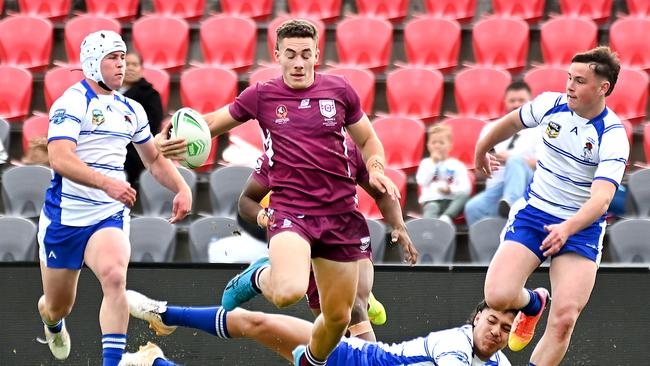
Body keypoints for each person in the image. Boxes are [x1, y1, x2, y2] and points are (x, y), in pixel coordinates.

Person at [154, 19, 418, 365]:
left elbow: (369, 140)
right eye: (290, 54)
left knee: (339, 316)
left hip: (340, 217)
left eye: (305, 54)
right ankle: (259, 275)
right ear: (277, 55)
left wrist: (379, 170)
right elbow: (211, 124)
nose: (298, 62)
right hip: (291, 211)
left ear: (316, 55)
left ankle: (312, 360)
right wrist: (167, 136)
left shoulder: (340, 91)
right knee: (287, 292)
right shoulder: (261, 95)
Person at [35, 30, 192, 366]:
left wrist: (182, 187)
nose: (121, 65)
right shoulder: (71, 102)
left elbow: (153, 159)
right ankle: (51, 321)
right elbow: (60, 158)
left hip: (108, 213)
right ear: (92, 63)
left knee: (115, 276)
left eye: (123, 57)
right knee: (58, 304)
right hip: (66, 216)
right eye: (113, 58)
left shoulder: (131, 109)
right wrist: (106, 182)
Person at [474, 46, 628, 366]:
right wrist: (482, 148)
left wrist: (567, 228)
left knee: (564, 319)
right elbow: (510, 123)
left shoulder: (612, 136)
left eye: (580, 80)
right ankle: (533, 303)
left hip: (580, 227)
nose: (569, 85)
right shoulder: (550, 104)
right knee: (498, 297)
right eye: (569, 77)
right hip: (535, 214)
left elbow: (601, 199)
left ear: (604, 88)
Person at [238, 139, 414, 341]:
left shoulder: (348, 148)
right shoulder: (279, 151)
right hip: (305, 245)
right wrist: (264, 217)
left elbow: (381, 191)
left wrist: (399, 226)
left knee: (355, 308)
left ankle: (363, 300)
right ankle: (261, 274)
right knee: (336, 333)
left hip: (346, 234)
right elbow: (246, 200)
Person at [122, 291, 513, 365]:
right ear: (476, 317)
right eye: (491, 320)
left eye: (505, 327)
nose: (495, 330)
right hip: (354, 358)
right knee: (258, 322)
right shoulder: (456, 345)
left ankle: (153, 362)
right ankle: (165, 312)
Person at [464, 81, 538, 225]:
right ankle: (486, 245)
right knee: (472, 208)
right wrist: (487, 166)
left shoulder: (540, 129)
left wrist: (513, 159)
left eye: (521, 100)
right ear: (505, 102)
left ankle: (511, 204)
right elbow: (479, 172)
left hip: (529, 187)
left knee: (515, 161)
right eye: (512, 100)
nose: (516, 104)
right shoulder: (490, 129)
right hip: (496, 191)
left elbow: (546, 164)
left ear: (530, 101)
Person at [119, 52, 164, 188]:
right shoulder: (106, 92)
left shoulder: (150, 94)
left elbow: (152, 128)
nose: (131, 68)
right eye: (127, 64)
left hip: (134, 151)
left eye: (135, 65)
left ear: (142, 70)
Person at [415, 124, 471, 225]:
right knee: (432, 207)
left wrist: (450, 190)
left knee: (463, 195)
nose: (437, 145)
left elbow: (465, 187)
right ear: (428, 145)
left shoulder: (457, 165)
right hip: (431, 200)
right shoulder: (426, 163)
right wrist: (433, 164)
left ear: (450, 146)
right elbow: (422, 181)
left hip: (451, 200)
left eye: (441, 142)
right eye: (433, 142)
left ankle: (447, 218)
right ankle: (430, 228)